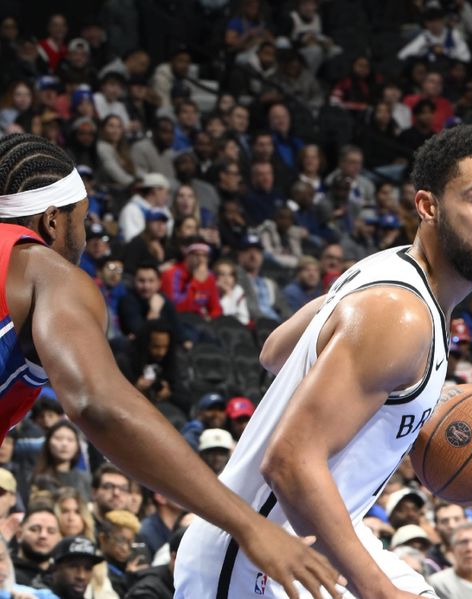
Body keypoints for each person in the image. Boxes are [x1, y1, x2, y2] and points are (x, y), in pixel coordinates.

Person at [175, 124, 472, 598]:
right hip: (253, 556)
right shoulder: (399, 315)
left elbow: (274, 352)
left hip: (315, 536)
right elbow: (290, 463)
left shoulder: (385, 269)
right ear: (428, 206)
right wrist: (377, 591)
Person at [0, 134, 338, 598]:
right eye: (82, 219)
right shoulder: (46, 271)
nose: (83, 236)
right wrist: (248, 525)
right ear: (52, 221)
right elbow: (97, 404)